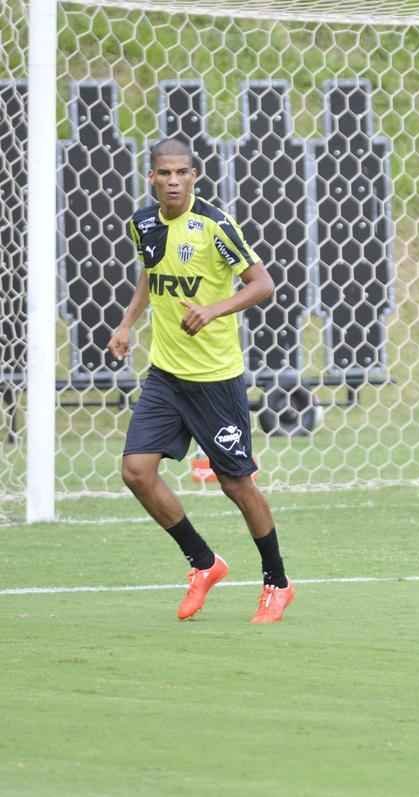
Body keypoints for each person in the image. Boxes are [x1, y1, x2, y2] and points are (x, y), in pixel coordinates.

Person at [108, 138, 294, 623]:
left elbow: (262, 284)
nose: (173, 181)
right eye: (164, 173)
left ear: (195, 176)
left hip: (215, 379)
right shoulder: (142, 224)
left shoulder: (214, 226)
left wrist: (213, 310)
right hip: (166, 376)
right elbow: (151, 275)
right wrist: (128, 323)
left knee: (237, 484)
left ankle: (277, 581)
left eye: (181, 173)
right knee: (136, 472)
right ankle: (204, 563)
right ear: (151, 177)